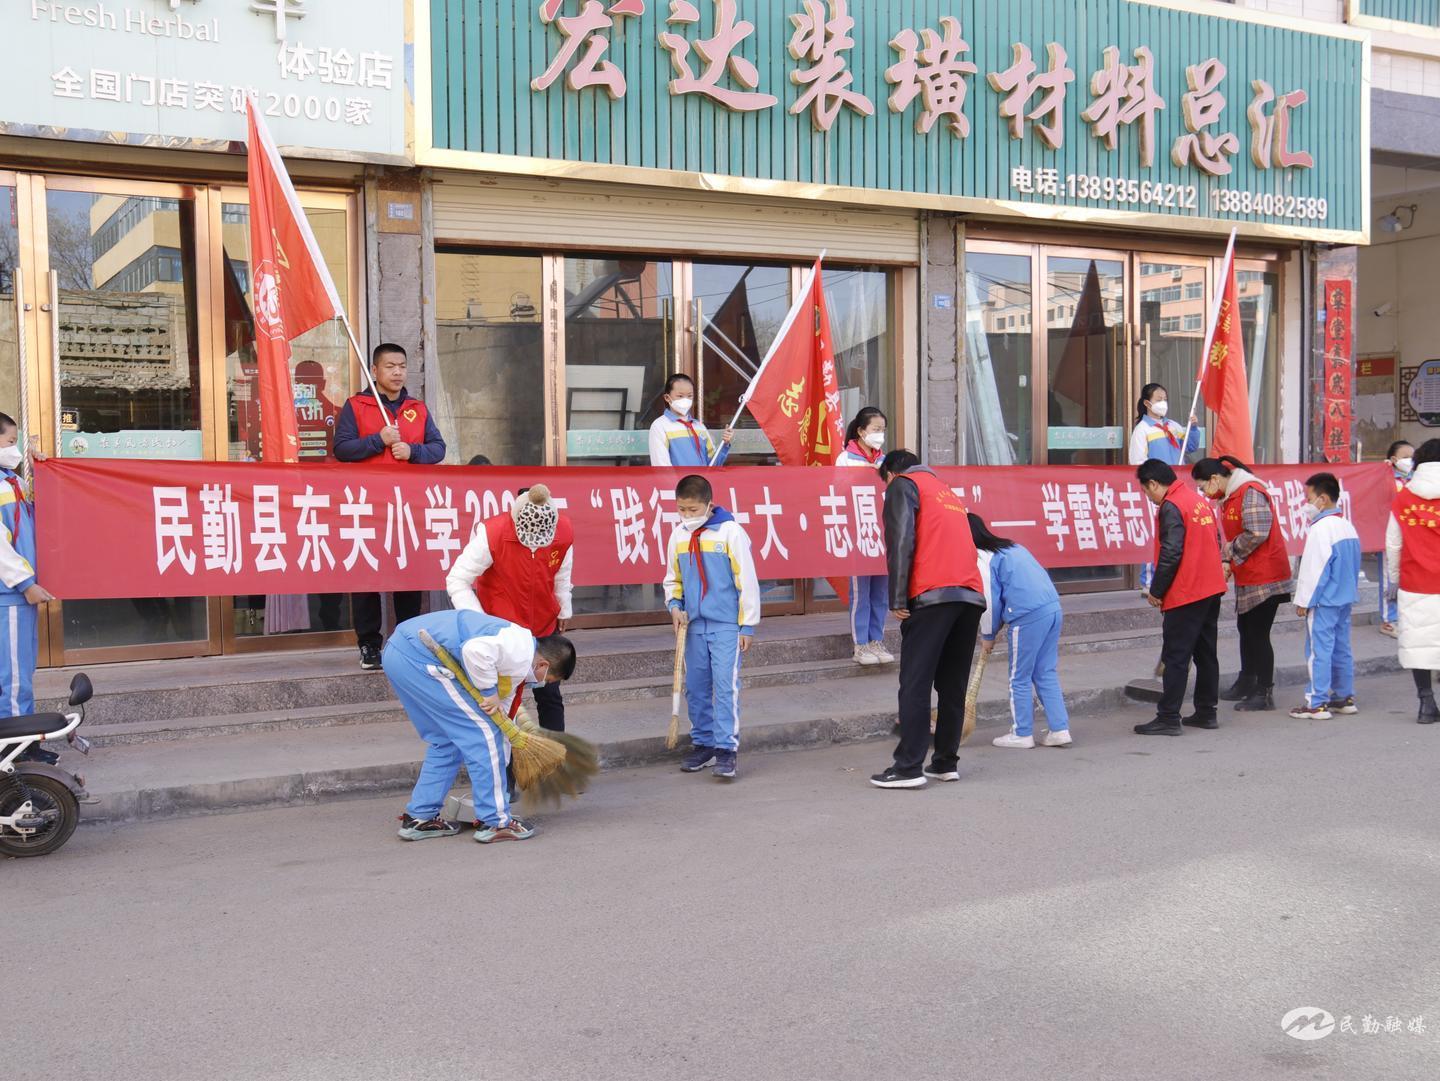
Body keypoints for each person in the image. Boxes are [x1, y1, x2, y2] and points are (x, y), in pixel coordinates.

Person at [382, 609, 575, 843]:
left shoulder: (515, 660)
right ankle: (496, 822)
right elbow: (474, 650)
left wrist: (505, 757)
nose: (543, 683)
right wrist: (488, 692)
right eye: (549, 680)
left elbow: (502, 717)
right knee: (484, 737)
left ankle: (420, 817)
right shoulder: (519, 650)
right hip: (422, 656)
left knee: (446, 741)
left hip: (399, 653)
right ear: (543, 665)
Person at [869, 450, 986, 788]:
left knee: (915, 683)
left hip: (933, 594)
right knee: (952, 685)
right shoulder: (944, 489)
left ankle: (907, 768)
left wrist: (898, 597)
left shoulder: (904, 485)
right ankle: (945, 762)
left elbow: (900, 539)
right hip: (970, 596)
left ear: (891, 473)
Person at [334, 343, 447, 670]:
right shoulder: (356, 406)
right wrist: (377, 441)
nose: (397, 372)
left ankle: (408, 642)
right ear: (375, 370)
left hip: (408, 507)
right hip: (366, 505)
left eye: (402, 366)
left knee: (408, 575)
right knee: (367, 576)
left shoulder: (417, 408)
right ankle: (369, 646)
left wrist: (412, 452)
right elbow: (341, 449)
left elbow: (437, 449)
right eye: (390, 366)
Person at [446, 484, 573, 732]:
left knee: (549, 695)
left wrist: (564, 607)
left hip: (544, 625)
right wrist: (479, 624)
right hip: (501, 629)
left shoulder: (564, 531)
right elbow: (457, 579)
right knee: (506, 700)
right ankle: (508, 764)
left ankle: (553, 759)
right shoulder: (492, 533)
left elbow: (562, 573)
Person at [664, 473, 759, 780]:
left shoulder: (731, 532)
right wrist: (674, 605)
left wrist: (747, 626)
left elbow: (747, 580)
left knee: (725, 686)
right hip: (692, 627)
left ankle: (726, 750)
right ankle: (703, 744)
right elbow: (672, 578)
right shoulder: (677, 536)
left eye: (693, 510)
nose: (687, 516)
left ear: (709, 505)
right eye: (682, 509)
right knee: (697, 688)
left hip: (727, 625)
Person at [1191, 456, 1292, 712]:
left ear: (1215, 479)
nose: (1204, 493)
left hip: (1266, 574)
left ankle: (1264, 691)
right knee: (1245, 628)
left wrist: (1229, 556)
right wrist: (1227, 559)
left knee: (1258, 633)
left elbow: (1257, 532)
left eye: (1203, 487)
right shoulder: (1229, 496)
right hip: (1249, 572)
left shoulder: (1250, 491)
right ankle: (1247, 680)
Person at [1134, 460, 1227, 736]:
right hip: (1210, 588)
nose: (1148, 498)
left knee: (1176, 656)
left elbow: (1171, 553)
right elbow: (1217, 541)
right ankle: (1206, 712)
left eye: (1146, 491)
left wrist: (1157, 590)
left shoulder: (1172, 506)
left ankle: (1168, 717)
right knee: (1206, 654)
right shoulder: (1197, 501)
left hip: (1187, 590)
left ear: (1153, 483)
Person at [971, 513, 1072, 750]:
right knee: (1045, 671)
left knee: (1019, 676)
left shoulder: (982, 557)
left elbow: (990, 602)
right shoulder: (1012, 547)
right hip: (1052, 609)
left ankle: (1022, 733)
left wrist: (988, 635)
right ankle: (1059, 729)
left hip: (1026, 617)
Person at [1290, 473, 1362, 720]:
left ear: (1322, 499)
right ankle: (1344, 697)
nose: (1306, 503)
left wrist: (1303, 601)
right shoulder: (1347, 525)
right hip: (1344, 598)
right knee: (1342, 648)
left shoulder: (1321, 529)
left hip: (1323, 601)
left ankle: (1316, 702)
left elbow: (1314, 570)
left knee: (1318, 651)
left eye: (1308, 497)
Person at [1385, 438, 1440, 723]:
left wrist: (1395, 578)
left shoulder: (1404, 497)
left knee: (1419, 644)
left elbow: (1393, 543)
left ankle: (1426, 704)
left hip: (1415, 580)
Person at [0, 414, 51, 718]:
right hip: (10, 595)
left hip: (17, 595)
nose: (14, 448)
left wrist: (44, 470)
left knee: (17, 671)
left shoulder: (12, 480)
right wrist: (25, 584)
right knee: (16, 678)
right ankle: (22, 750)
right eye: (9, 441)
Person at [838, 406, 892, 666]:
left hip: (882, 533)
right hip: (858, 532)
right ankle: (860, 644)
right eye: (875, 430)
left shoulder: (885, 461)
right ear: (860, 431)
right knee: (861, 592)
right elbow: (836, 493)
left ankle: (876, 640)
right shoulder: (845, 459)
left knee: (881, 591)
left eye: (882, 430)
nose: (879, 435)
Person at [648, 373, 733, 467]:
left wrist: (725, 444)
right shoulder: (660, 426)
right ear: (667, 398)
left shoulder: (699, 426)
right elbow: (661, 466)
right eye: (680, 396)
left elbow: (713, 465)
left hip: (702, 481)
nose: (686, 399)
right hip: (680, 482)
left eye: (690, 396)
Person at [1377, 440, 1413, 638]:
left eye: (1412, 457)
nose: (1410, 461)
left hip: (1410, 538)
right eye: (1406, 457)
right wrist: (1383, 470)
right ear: (1393, 459)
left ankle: (1401, 617)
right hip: (1388, 537)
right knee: (1389, 581)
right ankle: (1388, 621)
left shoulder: (1414, 479)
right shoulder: (1387, 479)